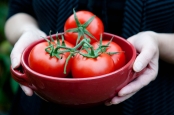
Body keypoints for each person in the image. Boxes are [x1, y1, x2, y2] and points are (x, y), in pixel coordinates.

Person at [4, 0, 174, 115]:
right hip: (37, 106)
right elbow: (19, 11)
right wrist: (26, 32)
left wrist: (158, 42)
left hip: (151, 105)